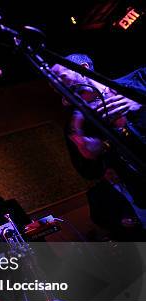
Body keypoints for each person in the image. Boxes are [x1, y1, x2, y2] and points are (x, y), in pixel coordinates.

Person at [50, 54, 145, 205]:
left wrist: (139, 99)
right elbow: (88, 172)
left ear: (83, 69)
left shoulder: (139, 79)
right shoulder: (76, 124)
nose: (57, 86)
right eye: (53, 84)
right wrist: (97, 151)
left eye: (61, 77)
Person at [87, 167, 146, 241]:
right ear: (102, 175)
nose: (115, 176)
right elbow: (97, 218)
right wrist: (119, 221)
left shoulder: (133, 179)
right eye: (110, 173)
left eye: (117, 172)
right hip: (133, 233)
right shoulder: (96, 193)